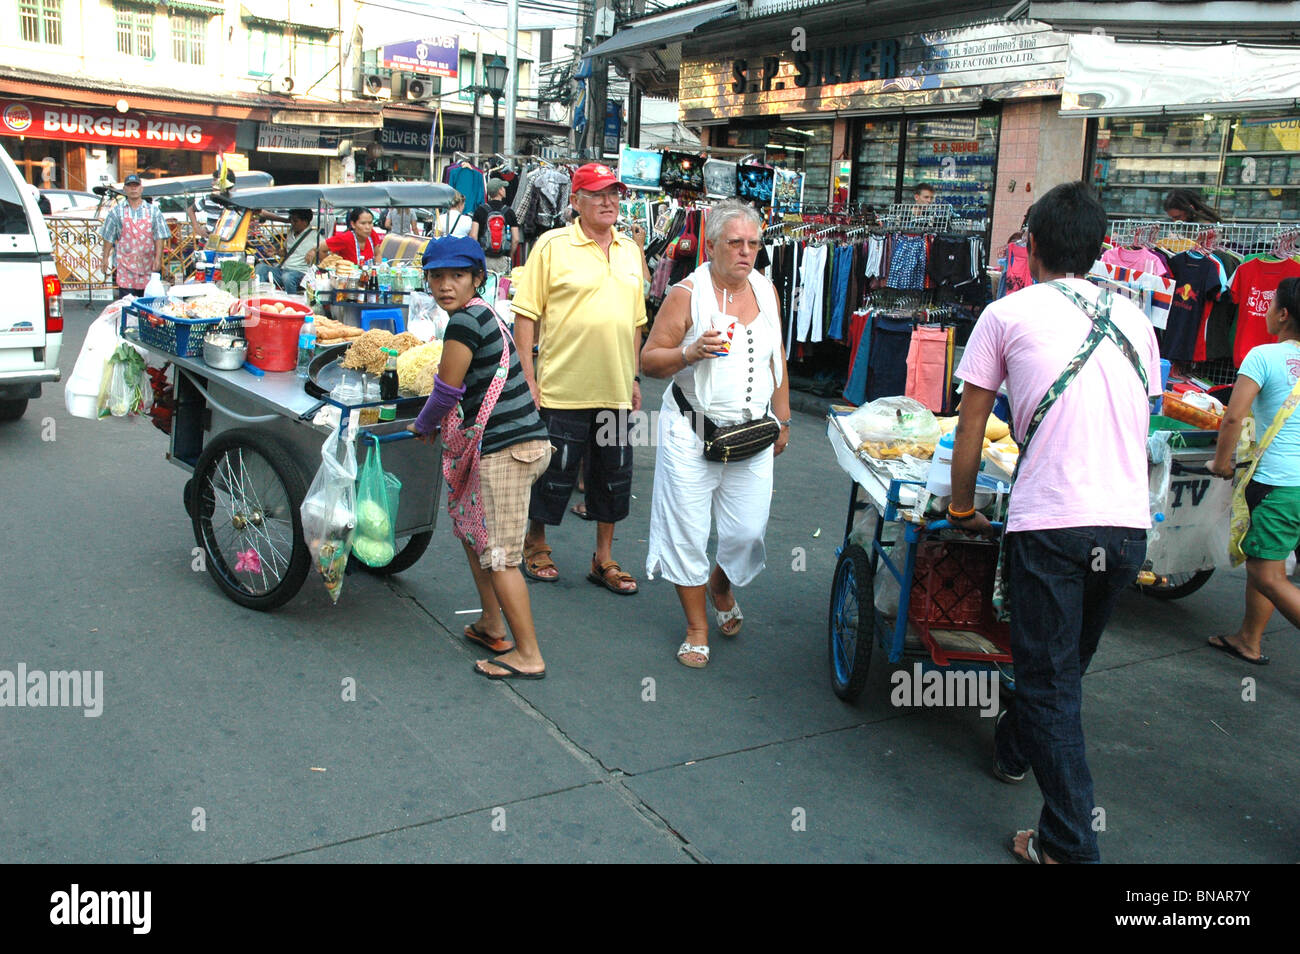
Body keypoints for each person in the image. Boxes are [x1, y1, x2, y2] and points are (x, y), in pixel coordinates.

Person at [948, 181, 1162, 864]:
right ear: (1102, 249)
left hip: (1051, 527)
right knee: (1064, 667)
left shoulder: (1006, 314)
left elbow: (970, 429)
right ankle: (1014, 748)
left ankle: (1069, 843)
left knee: (1049, 681)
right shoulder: (1136, 321)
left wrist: (960, 509)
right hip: (1126, 527)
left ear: (1030, 245)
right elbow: (1141, 419)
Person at [641, 199, 792, 668]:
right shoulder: (688, 294)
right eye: (735, 243)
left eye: (753, 243)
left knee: (748, 532)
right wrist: (690, 353)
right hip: (692, 429)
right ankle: (696, 628)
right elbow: (648, 361)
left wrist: (783, 418)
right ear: (712, 245)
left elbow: (777, 360)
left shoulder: (767, 291)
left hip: (752, 433)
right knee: (687, 531)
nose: (745, 252)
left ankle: (720, 584)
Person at [407, 236, 553, 680]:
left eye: (457, 276)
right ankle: (492, 625)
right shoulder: (485, 313)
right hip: (519, 444)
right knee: (476, 537)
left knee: (502, 556)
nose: (446, 285)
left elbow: (447, 389)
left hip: (507, 451)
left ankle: (528, 654)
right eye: (437, 276)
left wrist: (422, 426)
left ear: (477, 279)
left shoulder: (464, 323)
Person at [512, 162, 647, 594]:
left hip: (615, 389)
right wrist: (528, 379)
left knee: (613, 475)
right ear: (576, 201)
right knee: (553, 473)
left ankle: (603, 558)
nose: (609, 202)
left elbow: (636, 321)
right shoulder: (552, 246)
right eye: (598, 193)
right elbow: (526, 315)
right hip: (562, 387)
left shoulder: (630, 249)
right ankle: (536, 544)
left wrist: (634, 376)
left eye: (614, 194)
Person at [1207, 277, 1300, 665]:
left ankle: (1250, 638)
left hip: (1278, 483)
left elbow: (1232, 418)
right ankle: (1249, 639)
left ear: (1283, 314)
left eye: (1270, 304)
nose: (1263, 310)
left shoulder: (1263, 356)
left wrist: (1221, 462)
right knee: (1267, 558)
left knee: (1267, 575)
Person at [99, 173, 169, 299]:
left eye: (136, 186)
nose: (133, 189)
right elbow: (109, 236)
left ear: (141, 188)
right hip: (125, 267)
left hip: (149, 266)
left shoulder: (153, 211)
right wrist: (105, 258)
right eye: (130, 186)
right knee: (127, 305)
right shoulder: (116, 211)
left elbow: (160, 236)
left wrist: (158, 259)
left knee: (149, 306)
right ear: (124, 189)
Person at [255, 208, 319, 294]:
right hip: (282, 270)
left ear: (305, 222)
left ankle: (292, 301)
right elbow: (286, 252)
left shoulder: (315, 236)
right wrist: (275, 252)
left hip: (299, 273)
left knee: (287, 277)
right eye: (291, 220)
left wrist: (314, 250)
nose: (292, 223)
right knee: (260, 268)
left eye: (295, 221)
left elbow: (327, 248)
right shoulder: (291, 232)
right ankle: (260, 295)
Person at [469, 178, 518, 275]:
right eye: (503, 187)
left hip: (484, 258)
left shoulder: (480, 210)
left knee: (485, 287)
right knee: (502, 289)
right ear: (499, 191)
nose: (504, 190)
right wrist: (510, 255)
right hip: (503, 258)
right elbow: (516, 239)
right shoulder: (509, 212)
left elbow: (473, 236)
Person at [316, 207, 382, 265]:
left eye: (370, 223)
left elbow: (377, 254)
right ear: (353, 224)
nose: (368, 227)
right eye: (363, 223)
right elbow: (320, 248)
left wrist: (378, 269)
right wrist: (329, 268)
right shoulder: (346, 238)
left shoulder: (372, 234)